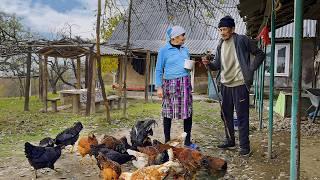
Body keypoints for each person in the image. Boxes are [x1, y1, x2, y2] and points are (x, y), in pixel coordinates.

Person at [202, 16, 265, 156]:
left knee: (242, 116)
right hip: (225, 85)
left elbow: (260, 54)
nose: (222, 32)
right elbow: (216, 65)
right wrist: (208, 64)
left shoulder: (242, 40)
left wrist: (251, 68)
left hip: (240, 84)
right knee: (226, 115)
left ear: (232, 29)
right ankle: (230, 140)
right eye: (220, 29)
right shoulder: (220, 44)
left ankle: (244, 147)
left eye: (224, 29)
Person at [155, 25, 197, 149]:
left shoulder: (185, 50)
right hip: (170, 84)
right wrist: (159, 87)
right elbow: (158, 69)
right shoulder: (163, 51)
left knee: (187, 112)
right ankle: (167, 141)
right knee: (168, 112)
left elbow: (186, 65)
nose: (184, 37)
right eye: (182, 35)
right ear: (174, 37)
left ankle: (187, 141)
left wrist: (189, 67)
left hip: (184, 82)